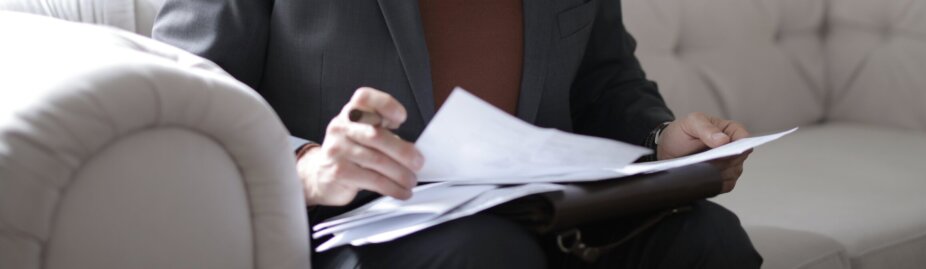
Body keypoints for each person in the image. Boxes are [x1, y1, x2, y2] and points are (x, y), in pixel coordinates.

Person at [153, 0, 762, 268]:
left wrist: (661, 139)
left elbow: (604, 82)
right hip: (363, 223)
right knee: (483, 256)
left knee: (708, 238)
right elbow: (189, 102)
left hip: (546, 211)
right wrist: (308, 165)